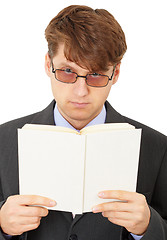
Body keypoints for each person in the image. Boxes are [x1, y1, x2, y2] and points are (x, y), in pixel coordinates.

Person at [0, 5, 166, 240]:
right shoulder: (3, 140)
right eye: (67, 71)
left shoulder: (157, 147)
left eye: (96, 75)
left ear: (115, 73)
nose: (80, 92)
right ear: (49, 65)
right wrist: (1, 225)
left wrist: (148, 226)